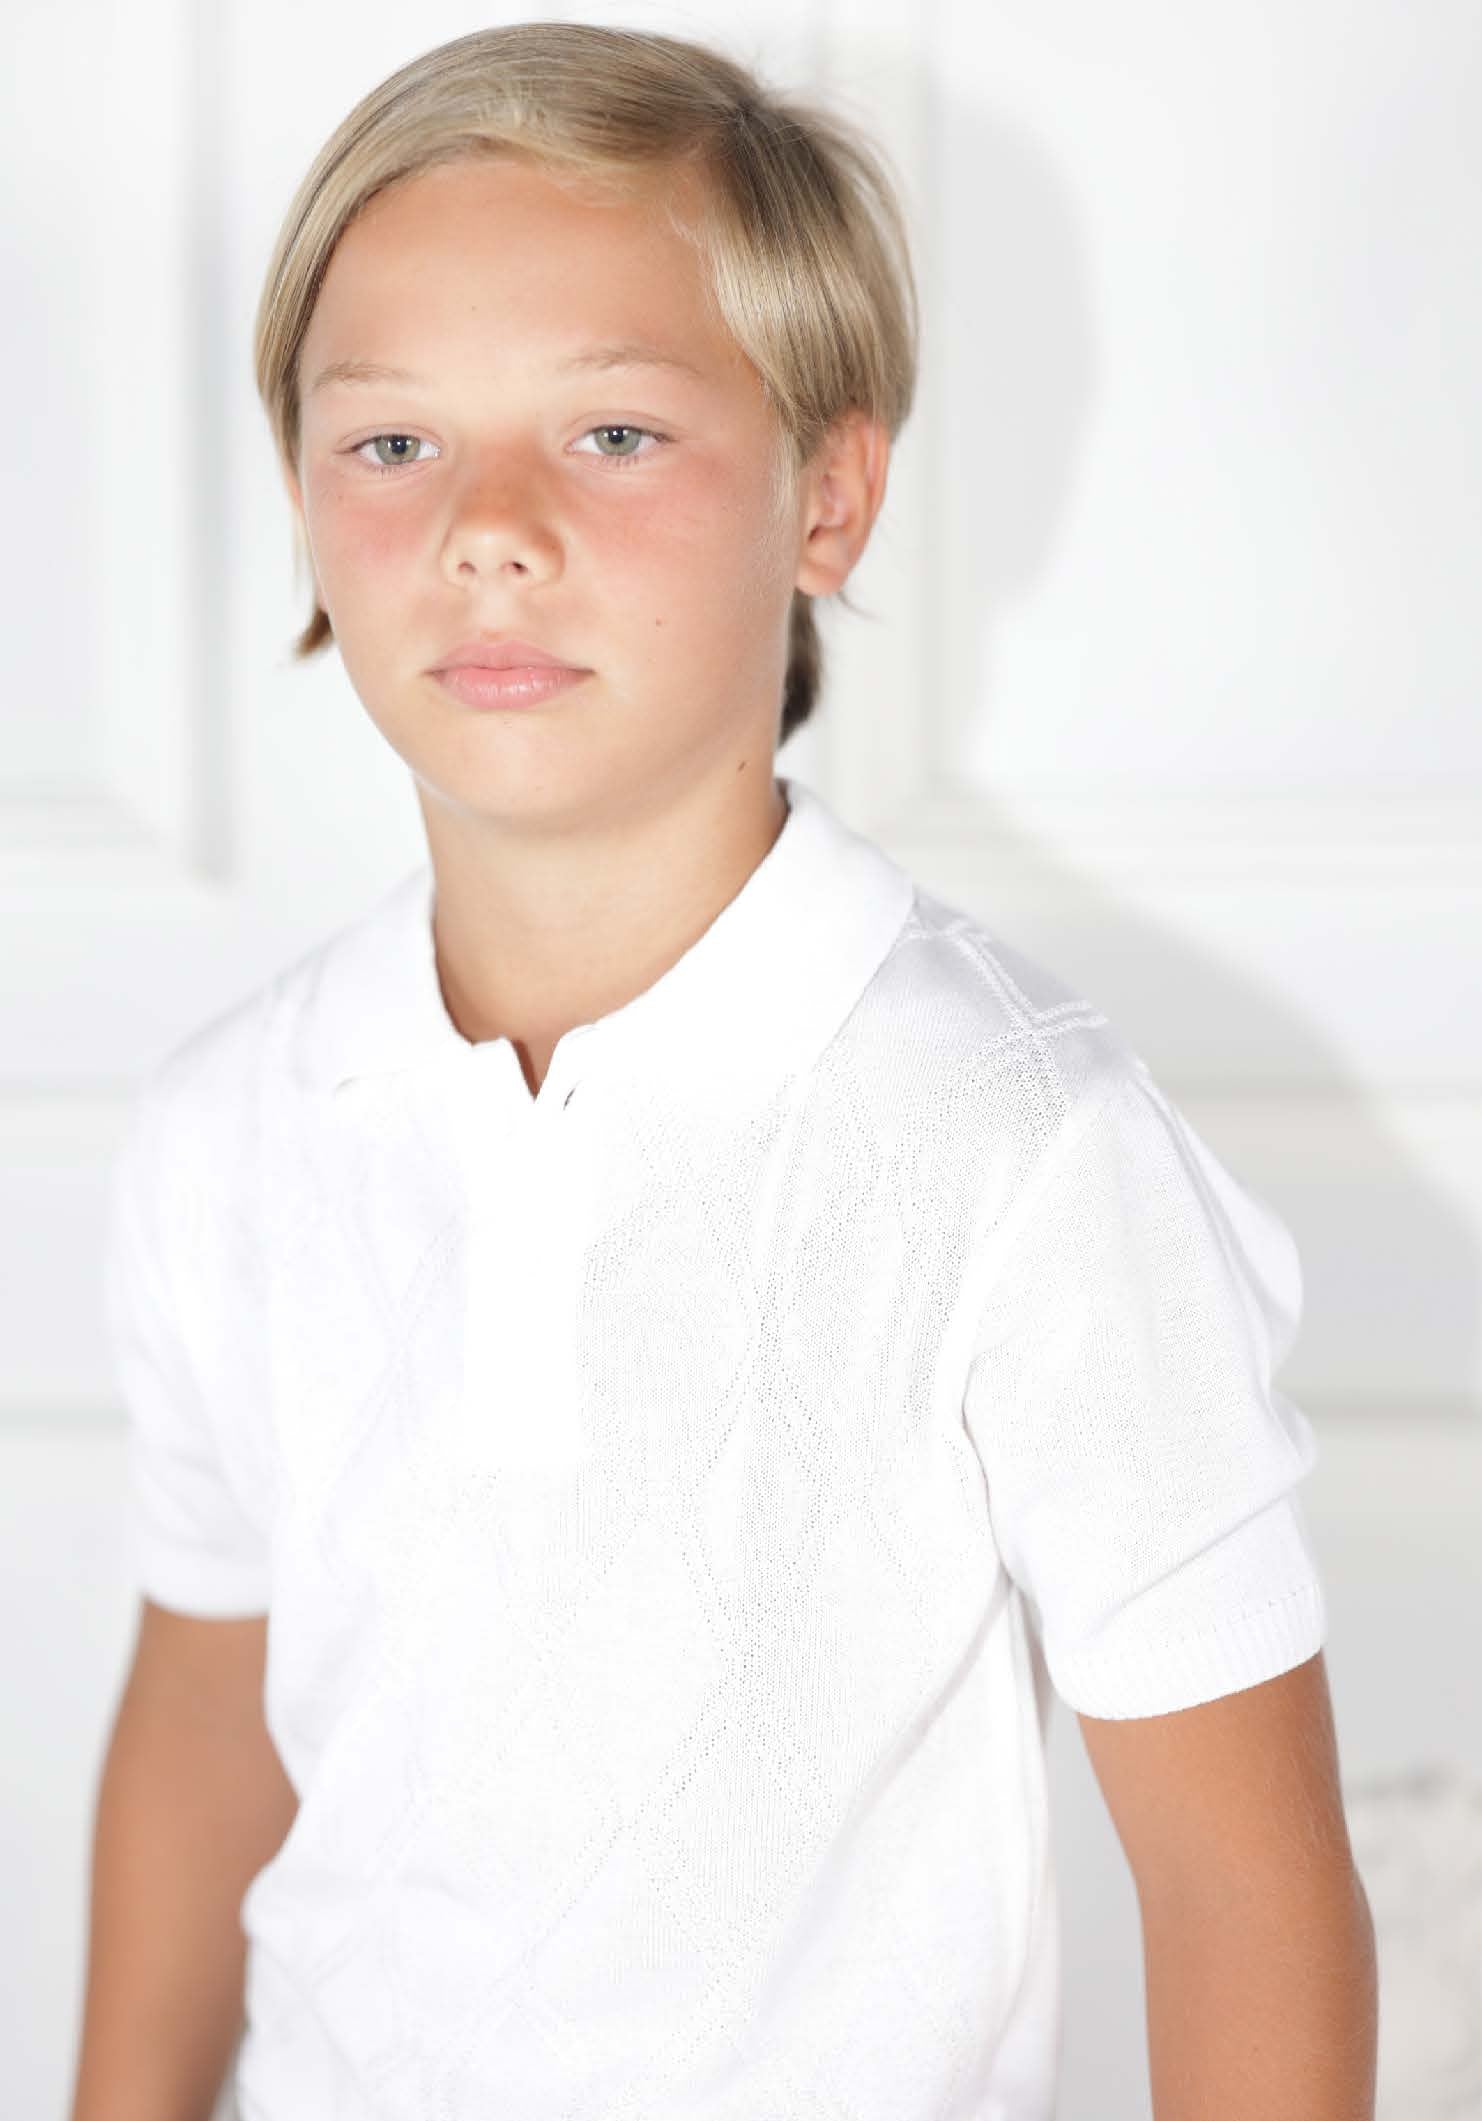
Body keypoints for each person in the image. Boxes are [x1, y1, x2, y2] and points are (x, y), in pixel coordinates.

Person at [69, 22, 1377, 2121]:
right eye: (392, 441)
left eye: (610, 431)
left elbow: (1243, 1885)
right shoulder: (230, 1129)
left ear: (826, 497)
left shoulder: (1021, 1144)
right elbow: (208, 1730)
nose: (489, 528)